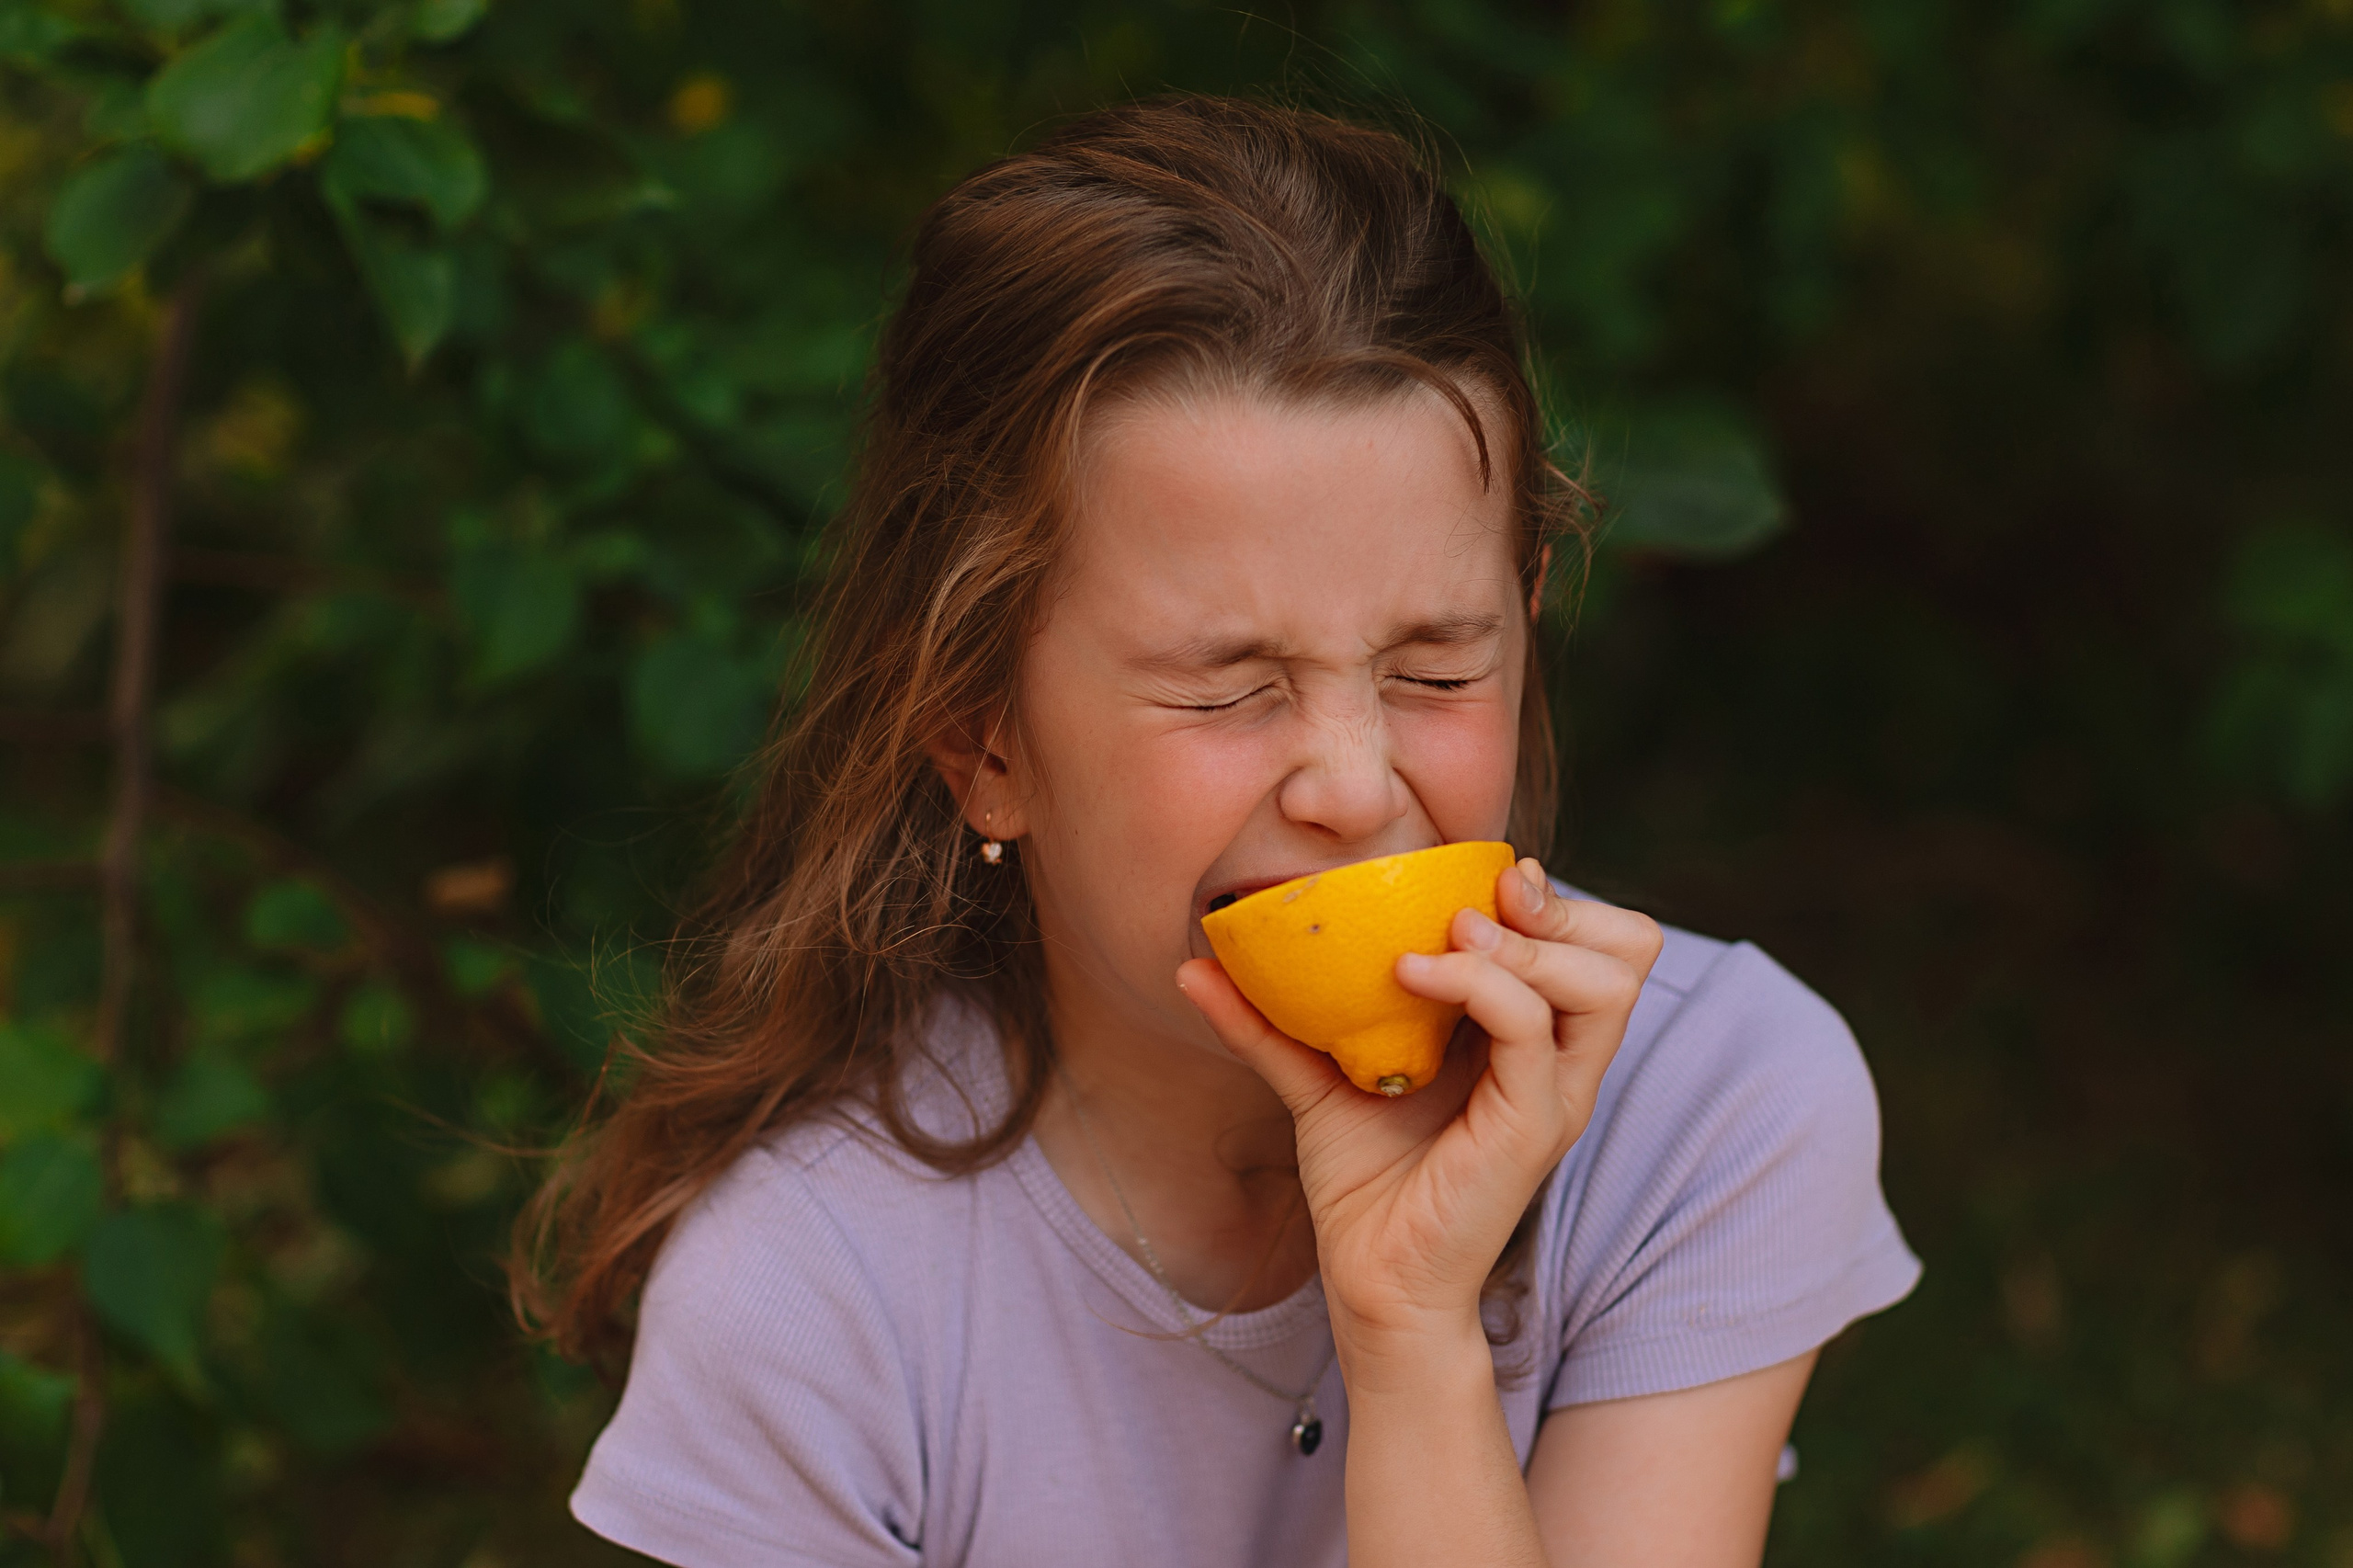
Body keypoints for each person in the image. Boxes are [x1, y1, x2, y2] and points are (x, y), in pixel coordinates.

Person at [516, 95, 1919, 1567]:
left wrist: (1413, 1336)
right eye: (1230, 689)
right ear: (984, 738)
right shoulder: (811, 1291)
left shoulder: (1706, 1102)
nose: (1355, 785)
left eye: (1438, 669)